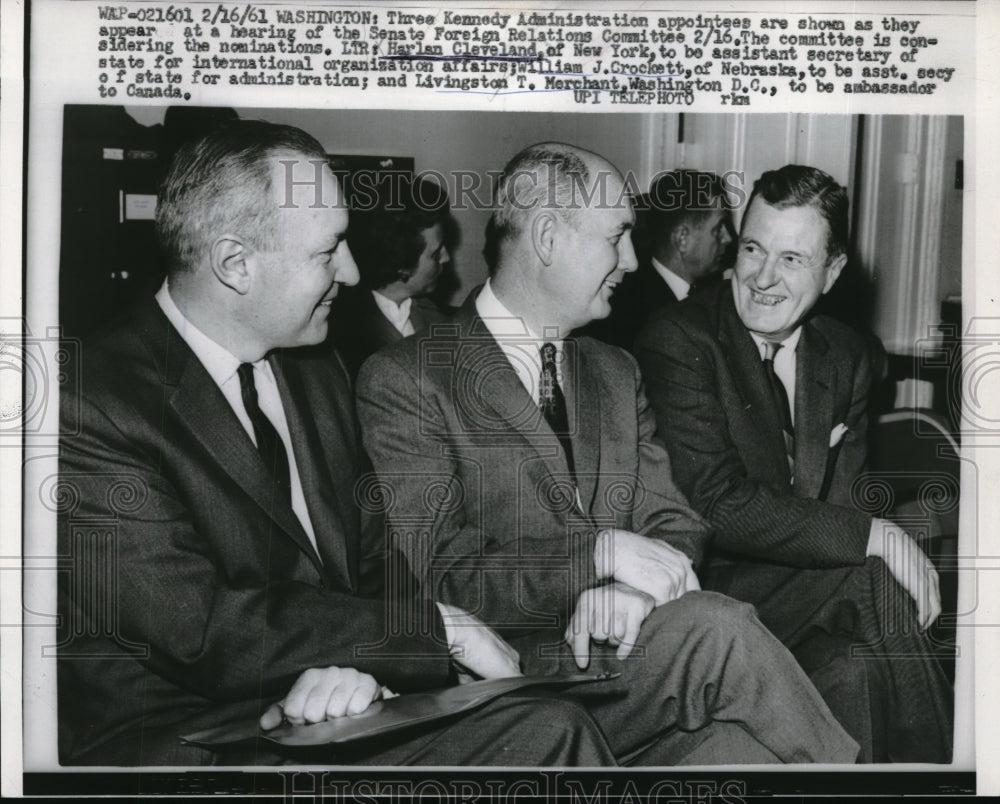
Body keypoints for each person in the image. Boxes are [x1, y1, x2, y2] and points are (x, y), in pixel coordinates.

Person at [55, 120, 619, 767]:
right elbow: (200, 631)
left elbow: (378, 562)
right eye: (328, 252)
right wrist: (437, 635)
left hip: (337, 701)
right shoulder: (92, 403)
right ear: (235, 264)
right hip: (189, 740)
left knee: (549, 721)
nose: (351, 272)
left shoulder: (315, 369)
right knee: (549, 739)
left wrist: (378, 663)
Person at [357, 142, 860, 765]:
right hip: (508, 679)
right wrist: (595, 559)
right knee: (717, 629)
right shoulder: (407, 378)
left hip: (624, 656)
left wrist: (636, 593)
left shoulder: (613, 370)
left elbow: (673, 522)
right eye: (617, 236)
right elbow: (434, 571)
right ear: (547, 238)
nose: (629, 259)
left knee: (738, 748)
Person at [634, 164, 953, 762]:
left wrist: (867, 534)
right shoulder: (678, 340)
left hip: (814, 598)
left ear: (831, 273)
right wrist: (877, 535)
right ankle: (953, 772)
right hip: (712, 600)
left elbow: (844, 508)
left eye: (792, 260)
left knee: (850, 670)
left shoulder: (850, 356)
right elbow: (715, 504)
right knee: (872, 571)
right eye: (753, 248)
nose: (761, 278)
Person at [581, 170, 733, 349]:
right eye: (718, 228)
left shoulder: (711, 295)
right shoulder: (631, 313)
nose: (727, 238)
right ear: (682, 239)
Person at [330, 175, 455, 380]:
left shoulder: (441, 321)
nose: (446, 258)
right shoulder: (340, 335)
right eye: (435, 253)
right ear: (402, 264)